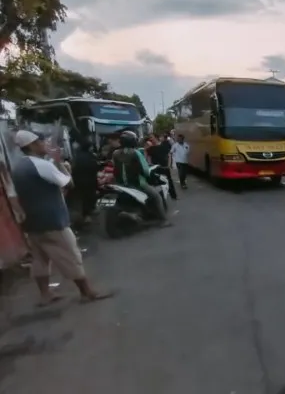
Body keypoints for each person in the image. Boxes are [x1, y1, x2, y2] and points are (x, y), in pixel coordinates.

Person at [10, 131, 113, 306]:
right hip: (52, 219)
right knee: (70, 254)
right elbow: (68, 183)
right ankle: (86, 292)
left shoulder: (18, 167)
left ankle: (45, 294)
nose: (44, 144)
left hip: (31, 222)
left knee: (40, 258)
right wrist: (59, 162)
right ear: (32, 145)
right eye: (41, 141)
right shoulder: (42, 165)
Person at [112, 131, 171, 226]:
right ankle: (164, 220)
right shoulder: (136, 153)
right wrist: (147, 174)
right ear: (132, 141)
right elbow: (146, 171)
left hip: (121, 184)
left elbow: (115, 167)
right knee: (157, 197)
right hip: (137, 183)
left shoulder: (115, 153)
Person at [71, 139, 100, 224]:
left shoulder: (77, 156)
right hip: (89, 181)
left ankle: (80, 216)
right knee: (88, 198)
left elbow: (74, 168)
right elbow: (95, 168)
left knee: (80, 198)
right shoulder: (91, 156)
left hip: (77, 180)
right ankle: (86, 216)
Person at [146, 134, 177, 200]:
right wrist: (150, 164)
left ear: (156, 137)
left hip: (165, 166)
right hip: (156, 168)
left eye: (152, 137)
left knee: (169, 181)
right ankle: (161, 197)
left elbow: (169, 155)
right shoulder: (150, 148)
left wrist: (169, 165)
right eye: (150, 138)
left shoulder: (164, 145)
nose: (151, 139)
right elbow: (148, 157)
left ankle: (173, 196)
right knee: (158, 183)